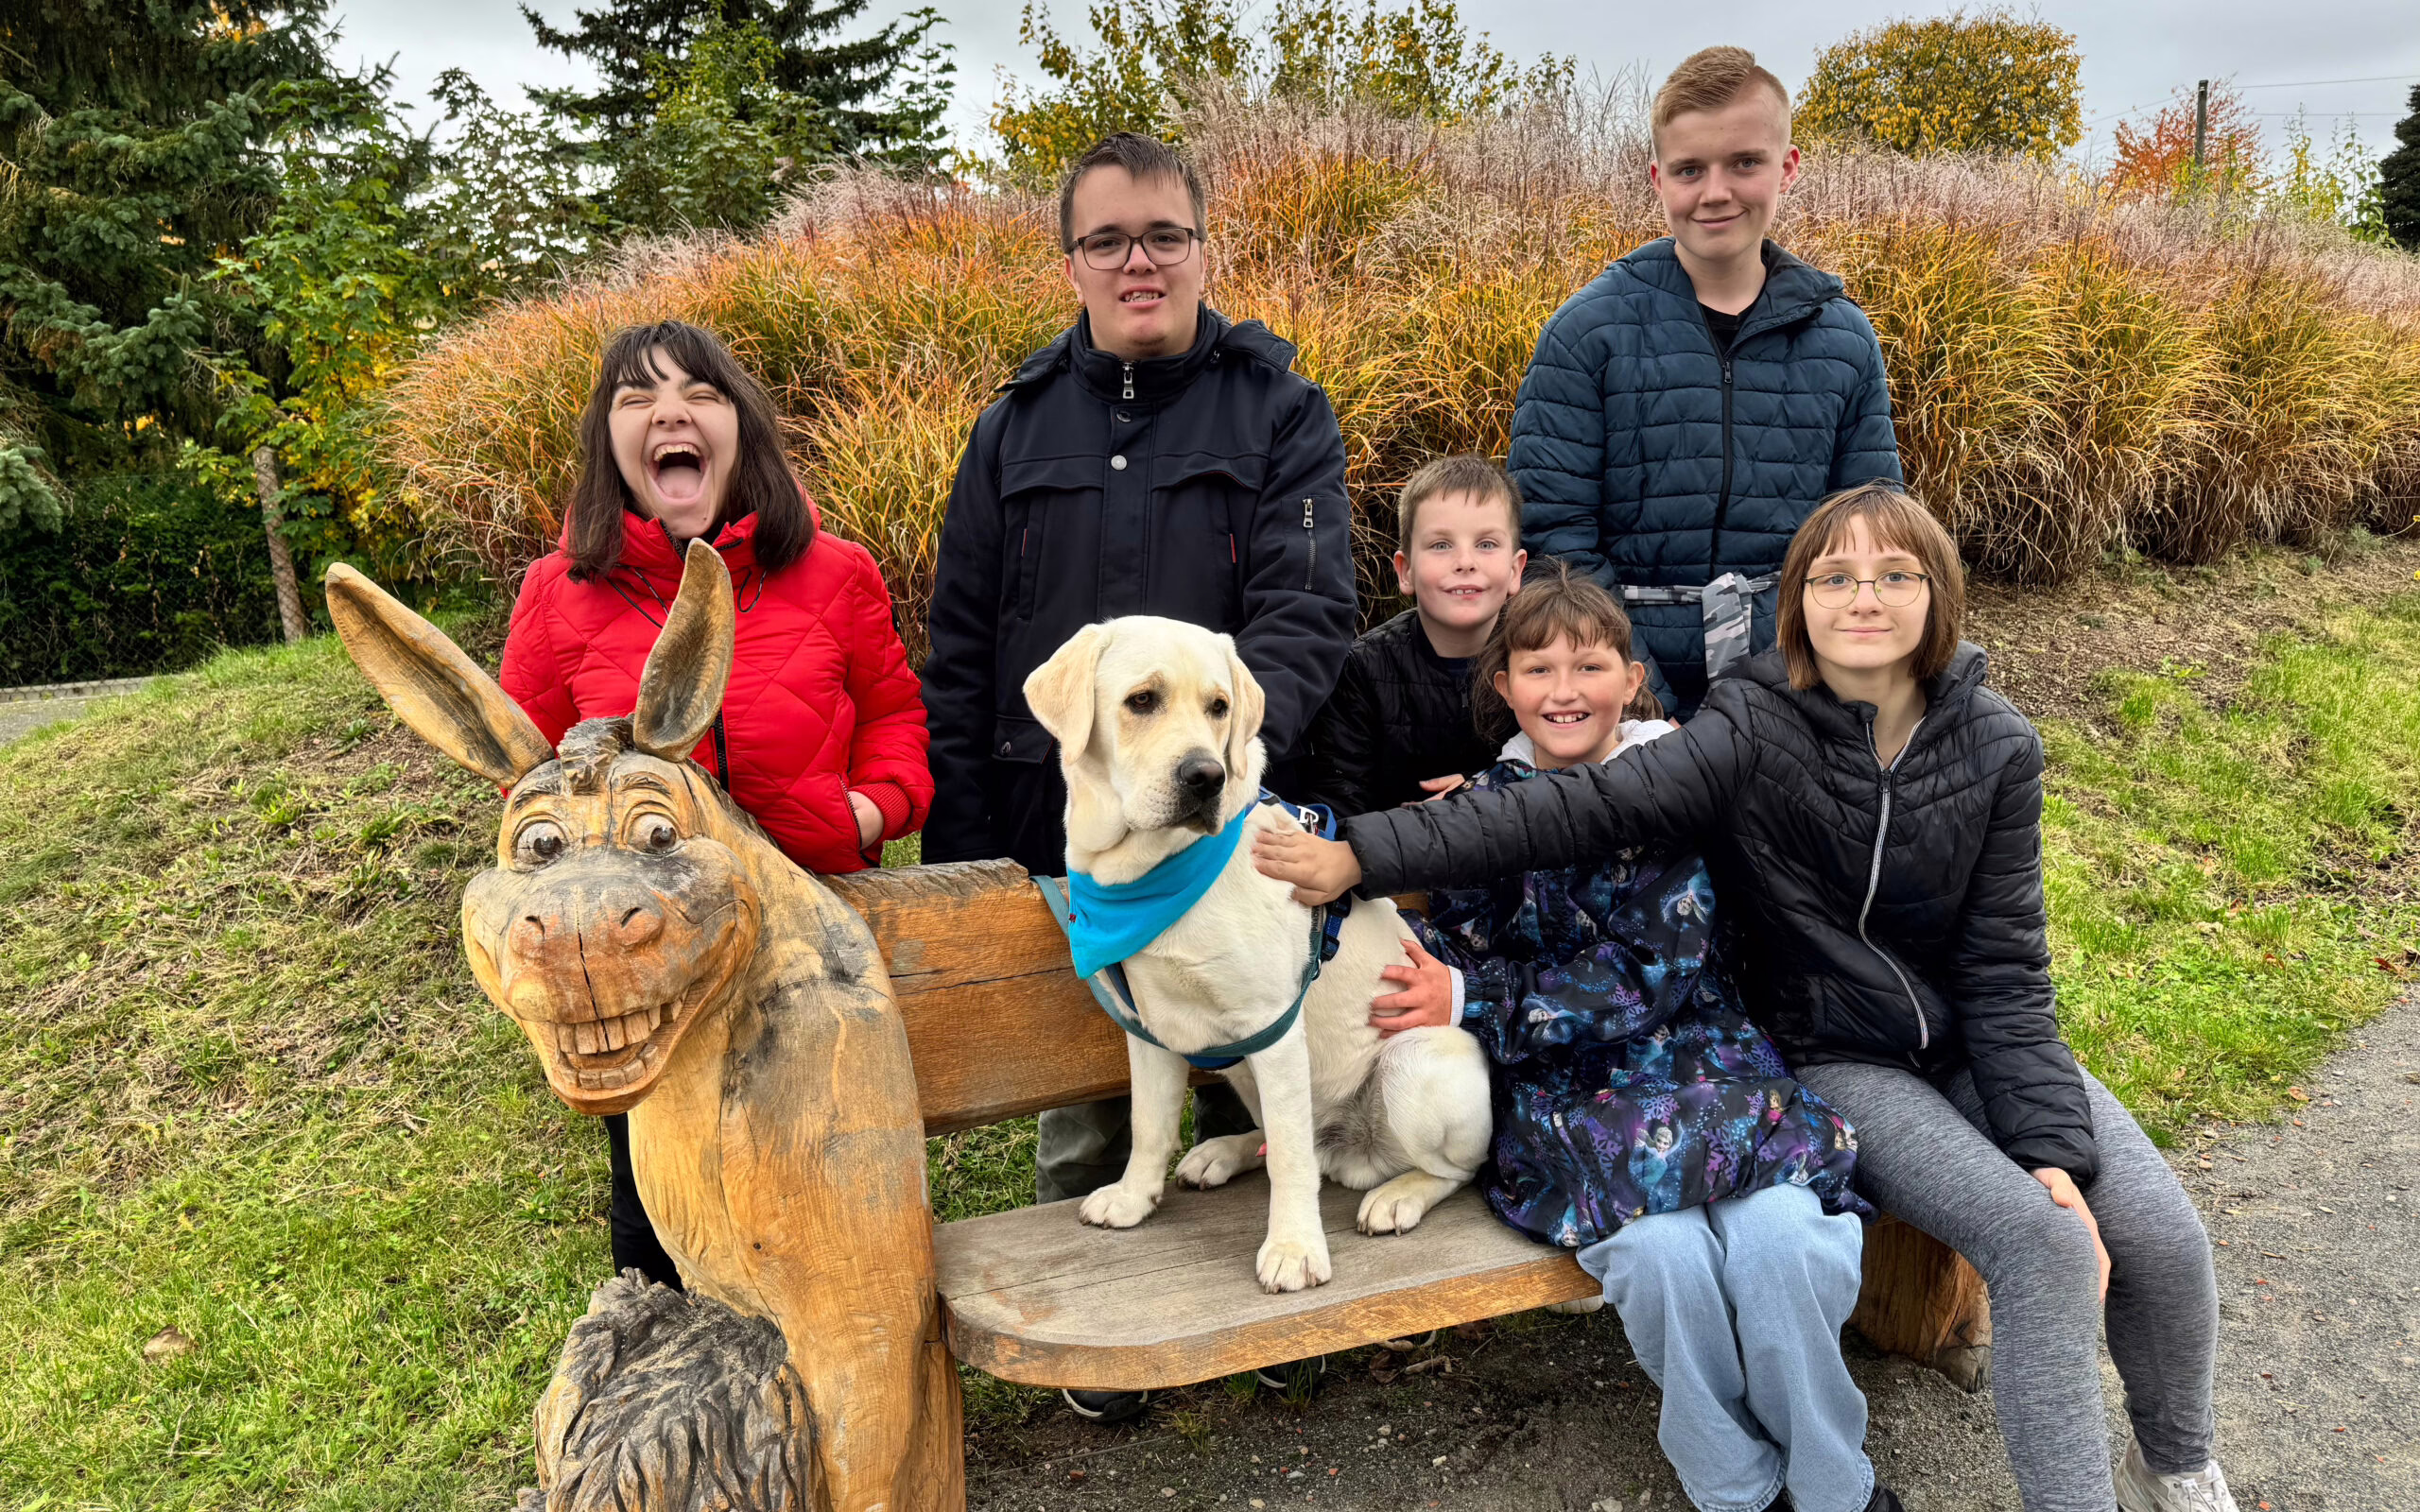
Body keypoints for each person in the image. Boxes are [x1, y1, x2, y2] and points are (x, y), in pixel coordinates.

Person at [1255, 484, 2237, 1512]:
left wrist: (2051, 1151)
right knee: (2033, 1243)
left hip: (1959, 1042)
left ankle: (2174, 1469)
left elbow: (2005, 970)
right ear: (1796, 599)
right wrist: (1363, 853)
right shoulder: (1751, 723)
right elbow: (1568, 809)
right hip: (1832, 1046)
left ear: (1940, 592)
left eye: (1894, 574)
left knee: (2160, 1235)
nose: (1863, 597)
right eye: (1834, 576)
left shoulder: (1995, 743)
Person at [920, 130, 1357, 1420]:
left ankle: (1271, 1317)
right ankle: (1102, 1337)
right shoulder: (1010, 428)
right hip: (1060, 835)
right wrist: (963, 843)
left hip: (1223, 837)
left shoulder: (1280, 411)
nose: (1138, 261)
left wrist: (1223, 773)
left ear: (1203, 248)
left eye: (1164, 234)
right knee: (1087, 1097)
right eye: (1107, 239)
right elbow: (963, 641)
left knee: (1252, 1063)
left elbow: (1308, 608)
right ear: (1072, 261)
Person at [1358, 566, 1891, 1512]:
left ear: (1632, 678)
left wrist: (1478, 995)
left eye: (1589, 666)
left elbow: (1654, 965)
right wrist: (1429, 983)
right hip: (1571, 1090)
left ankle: (1831, 1486)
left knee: (1780, 1243)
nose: (1564, 690)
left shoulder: (1672, 792)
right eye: (1538, 669)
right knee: (1660, 1258)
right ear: (1504, 686)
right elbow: (1453, 944)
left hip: (1705, 1060)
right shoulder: (1483, 812)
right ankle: (1736, 1490)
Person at [500, 319, 931, 1292]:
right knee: (664, 1206)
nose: (670, 414)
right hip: (647, 964)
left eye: (699, 392)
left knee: (825, 1194)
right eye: (637, 398)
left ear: (741, 425)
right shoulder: (556, 595)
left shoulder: (836, 572)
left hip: (808, 946)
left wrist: (871, 810)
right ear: (608, 440)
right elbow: (528, 774)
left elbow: (896, 717)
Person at [1510, 45, 1901, 718]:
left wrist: (1800, 689)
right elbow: (1556, 543)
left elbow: (1871, 533)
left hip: (1799, 690)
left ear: (1788, 167)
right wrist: (1647, 705)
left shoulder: (1843, 339)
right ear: (1658, 179)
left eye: (1745, 162)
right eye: (1690, 169)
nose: (1716, 192)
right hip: (1620, 701)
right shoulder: (1586, 333)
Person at [1304, 455, 1522, 817]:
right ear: (1405, 572)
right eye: (1441, 545)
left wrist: (1485, 789)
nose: (1465, 561)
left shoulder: (1543, 657)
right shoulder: (1362, 670)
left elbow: (1576, 774)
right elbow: (1339, 802)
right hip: (1390, 847)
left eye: (1486, 544)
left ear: (1515, 570)